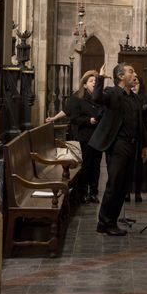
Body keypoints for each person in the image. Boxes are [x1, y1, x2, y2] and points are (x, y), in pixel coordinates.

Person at [89, 63, 147, 236]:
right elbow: (97, 98)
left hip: (132, 144)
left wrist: (145, 145)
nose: (135, 74)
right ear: (121, 76)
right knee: (115, 184)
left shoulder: (135, 98)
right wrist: (100, 78)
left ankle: (111, 221)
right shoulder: (112, 92)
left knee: (123, 186)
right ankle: (105, 222)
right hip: (117, 144)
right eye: (131, 71)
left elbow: (140, 124)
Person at [55, 70, 104, 204]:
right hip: (85, 136)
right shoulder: (78, 99)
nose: (94, 83)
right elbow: (74, 118)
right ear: (85, 85)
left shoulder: (100, 98)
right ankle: (83, 192)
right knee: (87, 165)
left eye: (95, 81)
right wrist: (89, 121)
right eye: (91, 81)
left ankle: (94, 193)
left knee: (96, 166)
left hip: (99, 137)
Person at [125, 73, 147, 203]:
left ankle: (138, 192)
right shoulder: (126, 98)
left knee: (139, 166)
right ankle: (127, 191)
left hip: (140, 135)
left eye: (137, 83)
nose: (134, 86)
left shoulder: (143, 99)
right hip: (128, 136)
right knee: (127, 166)